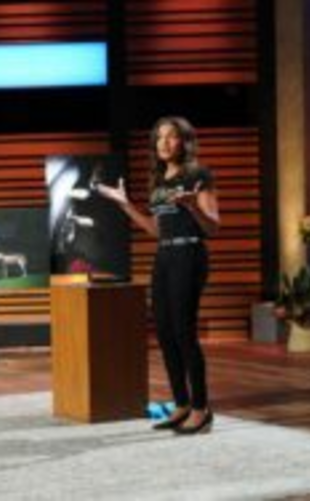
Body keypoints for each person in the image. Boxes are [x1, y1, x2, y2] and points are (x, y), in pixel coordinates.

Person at [96, 116, 220, 435]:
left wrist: (193, 207)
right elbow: (156, 229)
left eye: (171, 136)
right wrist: (125, 205)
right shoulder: (159, 180)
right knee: (164, 333)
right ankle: (181, 404)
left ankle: (201, 409)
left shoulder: (198, 175)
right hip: (164, 256)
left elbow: (213, 228)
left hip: (189, 254)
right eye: (159, 137)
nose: (164, 142)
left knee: (184, 332)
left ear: (184, 141)